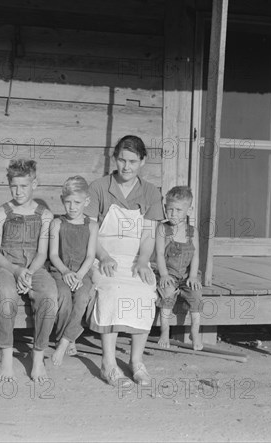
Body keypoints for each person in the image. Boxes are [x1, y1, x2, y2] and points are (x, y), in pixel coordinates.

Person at [86, 135, 164, 386]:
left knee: (145, 291)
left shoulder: (150, 192)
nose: (126, 166)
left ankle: (136, 362)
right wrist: (103, 256)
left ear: (143, 161)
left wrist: (143, 261)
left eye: (132, 161)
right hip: (103, 257)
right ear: (114, 158)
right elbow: (90, 231)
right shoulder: (99, 187)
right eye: (122, 159)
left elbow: (149, 233)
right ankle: (108, 364)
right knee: (112, 292)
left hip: (134, 259)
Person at [0, 159, 58, 383]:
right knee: (7, 297)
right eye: (14, 186)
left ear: (34, 184)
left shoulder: (45, 215)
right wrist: (16, 270)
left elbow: (42, 253)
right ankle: (6, 355)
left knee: (49, 296)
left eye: (24, 186)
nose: (18, 191)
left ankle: (38, 357)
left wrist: (27, 273)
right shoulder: (1, 213)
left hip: (34, 267)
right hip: (7, 265)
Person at [49, 176, 98, 366]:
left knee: (83, 297)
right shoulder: (57, 224)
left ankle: (64, 342)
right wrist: (66, 272)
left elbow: (90, 256)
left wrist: (78, 275)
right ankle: (68, 336)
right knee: (62, 297)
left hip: (82, 273)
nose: (72, 207)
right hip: (60, 271)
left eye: (77, 202)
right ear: (62, 200)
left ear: (86, 201)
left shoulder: (92, 226)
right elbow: (53, 254)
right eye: (68, 202)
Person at [155, 186, 203, 350]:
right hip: (168, 274)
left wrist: (193, 276)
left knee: (196, 294)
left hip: (187, 275)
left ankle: (194, 331)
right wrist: (163, 274)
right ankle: (164, 330)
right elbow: (160, 254)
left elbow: (195, 255)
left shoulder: (192, 232)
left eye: (178, 210)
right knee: (167, 293)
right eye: (169, 209)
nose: (173, 214)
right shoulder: (163, 229)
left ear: (189, 210)